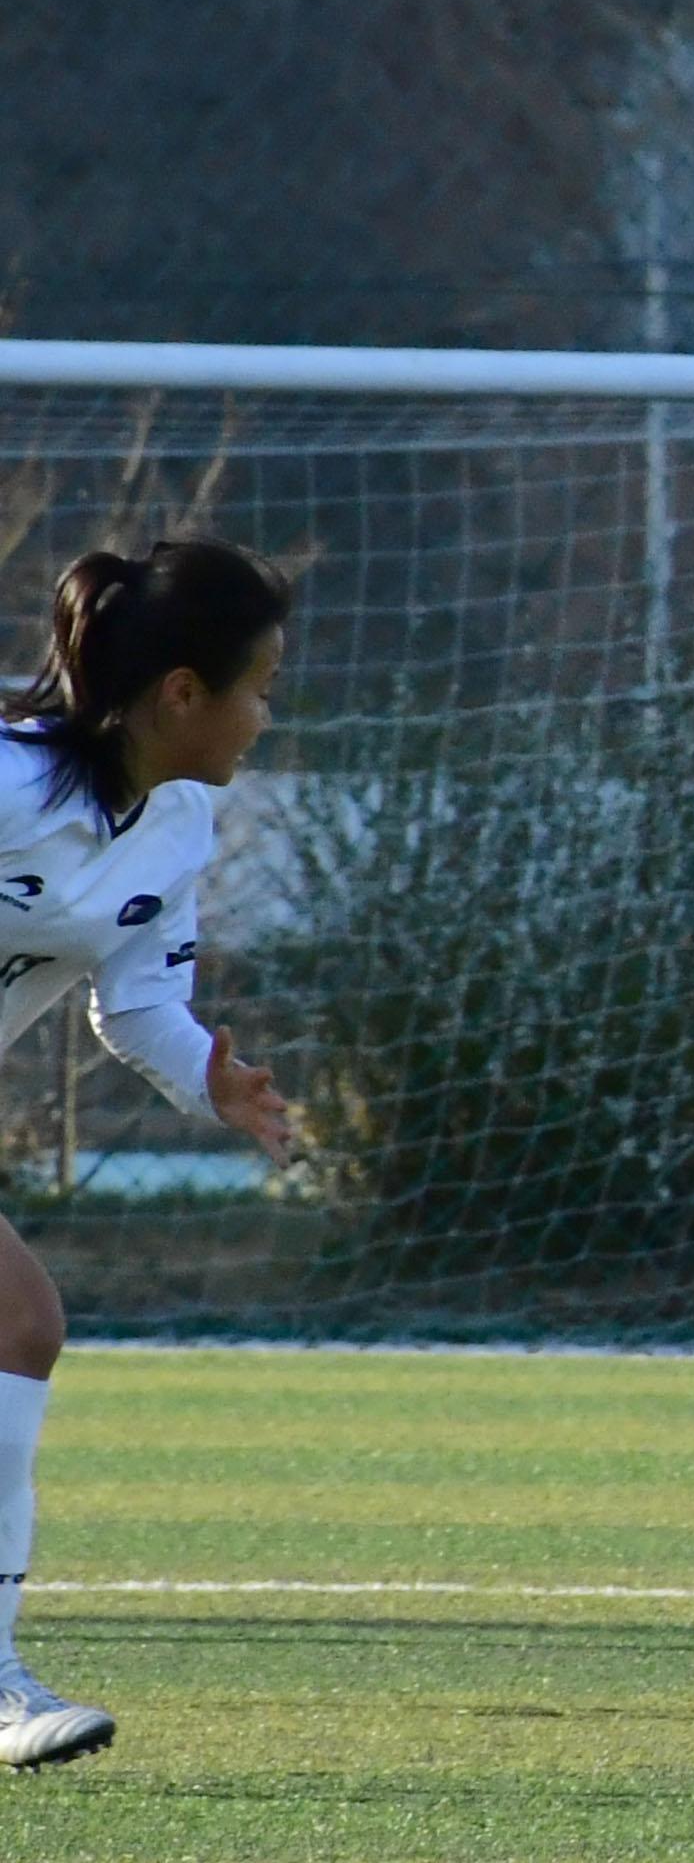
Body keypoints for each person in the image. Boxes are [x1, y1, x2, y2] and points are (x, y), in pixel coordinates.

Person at [0, 541, 296, 1771]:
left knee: (16, 1325)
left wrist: (212, 1076)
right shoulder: (8, 780)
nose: (267, 713)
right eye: (260, 682)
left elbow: (135, 999)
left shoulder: (181, 817)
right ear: (183, 691)